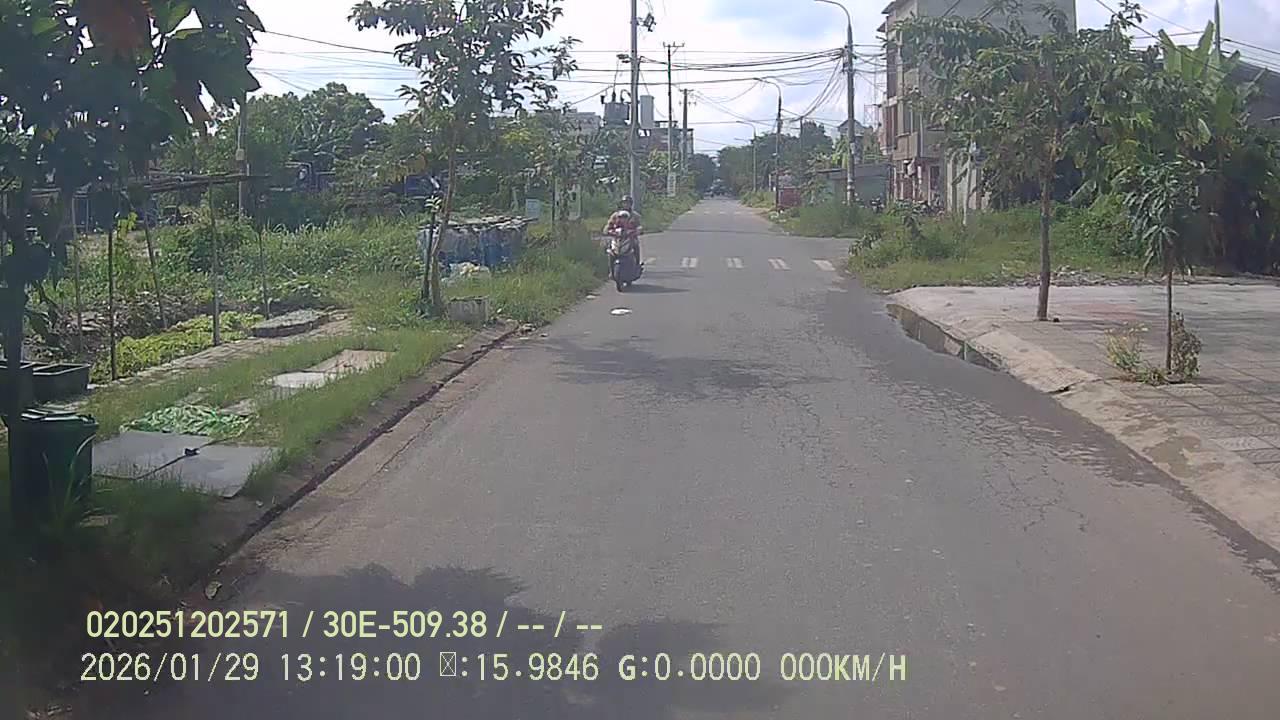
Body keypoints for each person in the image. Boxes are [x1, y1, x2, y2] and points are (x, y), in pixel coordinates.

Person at [603, 195, 642, 267]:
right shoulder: (615, 215)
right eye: (624, 203)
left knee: (635, 244)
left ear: (631, 204)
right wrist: (607, 231)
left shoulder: (635, 215)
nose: (626, 205)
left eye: (628, 203)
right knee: (608, 247)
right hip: (617, 238)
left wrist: (637, 231)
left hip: (630, 237)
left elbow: (639, 226)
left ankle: (637, 264)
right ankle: (610, 268)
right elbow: (608, 226)